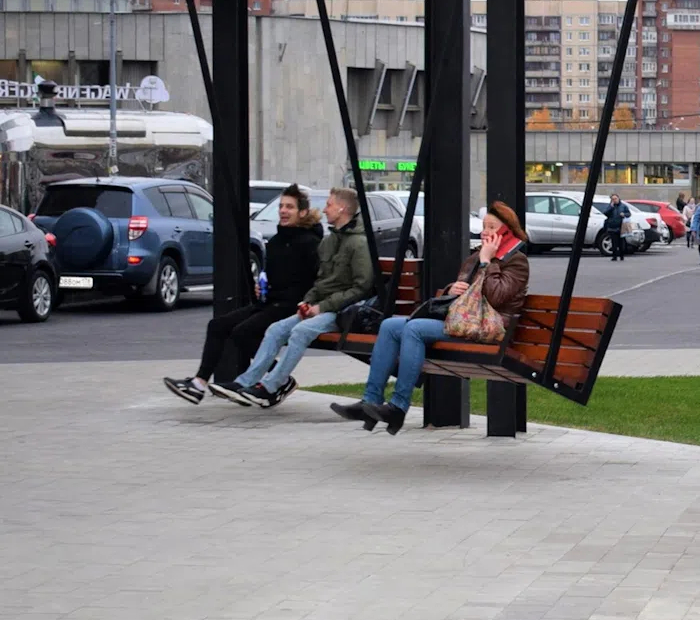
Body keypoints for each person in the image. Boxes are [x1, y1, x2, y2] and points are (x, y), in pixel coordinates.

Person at [332, 202, 529, 434]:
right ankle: (370, 401)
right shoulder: (475, 256)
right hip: (463, 322)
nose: (485, 232)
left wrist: (489, 262)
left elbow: (496, 298)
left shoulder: (516, 262)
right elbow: (465, 295)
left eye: (492, 227)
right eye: (484, 226)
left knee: (413, 329)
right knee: (390, 326)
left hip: (487, 330)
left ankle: (398, 407)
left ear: (507, 231)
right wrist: (450, 289)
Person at [213, 186, 374, 408]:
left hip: (342, 312)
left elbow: (361, 289)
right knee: (275, 329)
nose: (324, 209)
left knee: (300, 331)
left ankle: (270, 386)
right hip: (321, 307)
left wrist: (322, 307)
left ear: (343, 208)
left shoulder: (359, 243)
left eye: (329, 204)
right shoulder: (330, 241)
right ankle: (245, 383)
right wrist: (307, 302)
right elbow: (321, 281)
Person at [163, 184, 323, 403]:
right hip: (270, 302)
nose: (283, 211)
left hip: (292, 306)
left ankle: (280, 379)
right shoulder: (277, 241)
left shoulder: (310, 243)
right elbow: (274, 273)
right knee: (217, 325)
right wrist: (263, 285)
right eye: (281, 206)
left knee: (243, 331)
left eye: (290, 207)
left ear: (303, 212)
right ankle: (198, 384)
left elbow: (315, 279)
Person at [604, 192, 631, 261]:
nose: (614, 200)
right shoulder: (610, 206)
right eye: (613, 199)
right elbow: (606, 213)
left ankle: (622, 256)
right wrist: (611, 207)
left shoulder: (623, 206)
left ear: (618, 198)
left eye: (615, 198)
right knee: (614, 243)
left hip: (621, 227)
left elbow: (629, 214)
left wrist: (624, 214)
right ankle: (614, 256)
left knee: (621, 242)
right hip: (612, 227)